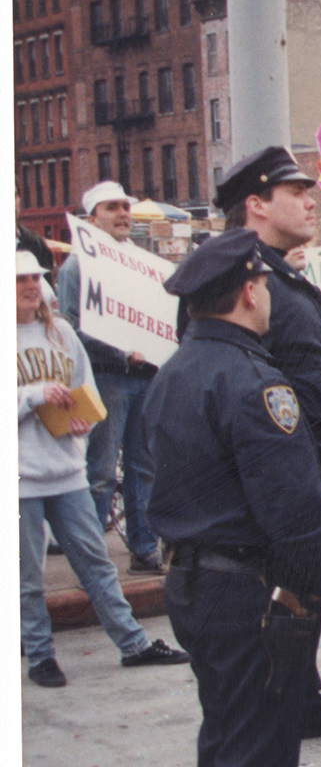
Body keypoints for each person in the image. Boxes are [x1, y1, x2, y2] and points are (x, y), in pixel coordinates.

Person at [142, 230, 321, 767]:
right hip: (248, 586)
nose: (267, 297)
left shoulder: (177, 371)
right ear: (247, 290)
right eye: (263, 286)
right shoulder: (253, 383)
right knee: (253, 755)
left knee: (227, 747)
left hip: (197, 579)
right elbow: (292, 505)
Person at [214, 146, 321, 739]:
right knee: (276, 619)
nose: (310, 201)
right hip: (274, 476)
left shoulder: (281, 273)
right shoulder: (235, 279)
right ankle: (286, 709)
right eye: (296, 193)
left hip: (308, 464)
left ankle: (302, 697)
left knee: (301, 606)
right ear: (256, 204)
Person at [18, 251, 188, 688]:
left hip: (65, 468)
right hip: (18, 477)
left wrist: (82, 420)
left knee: (96, 563)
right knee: (25, 575)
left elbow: (86, 388)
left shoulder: (62, 334)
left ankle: (132, 643)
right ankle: (39, 654)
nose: (31, 286)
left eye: (35, 278)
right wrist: (34, 396)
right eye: (19, 280)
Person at [54, 180, 161, 572]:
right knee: (100, 470)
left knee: (142, 465)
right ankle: (92, 558)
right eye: (112, 207)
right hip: (107, 378)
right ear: (91, 218)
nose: (122, 214)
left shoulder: (140, 261)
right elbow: (70, 327)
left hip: (143, 375)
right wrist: (119, 351)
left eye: (125, 207)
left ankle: (144, 547)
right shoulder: (76, 266)